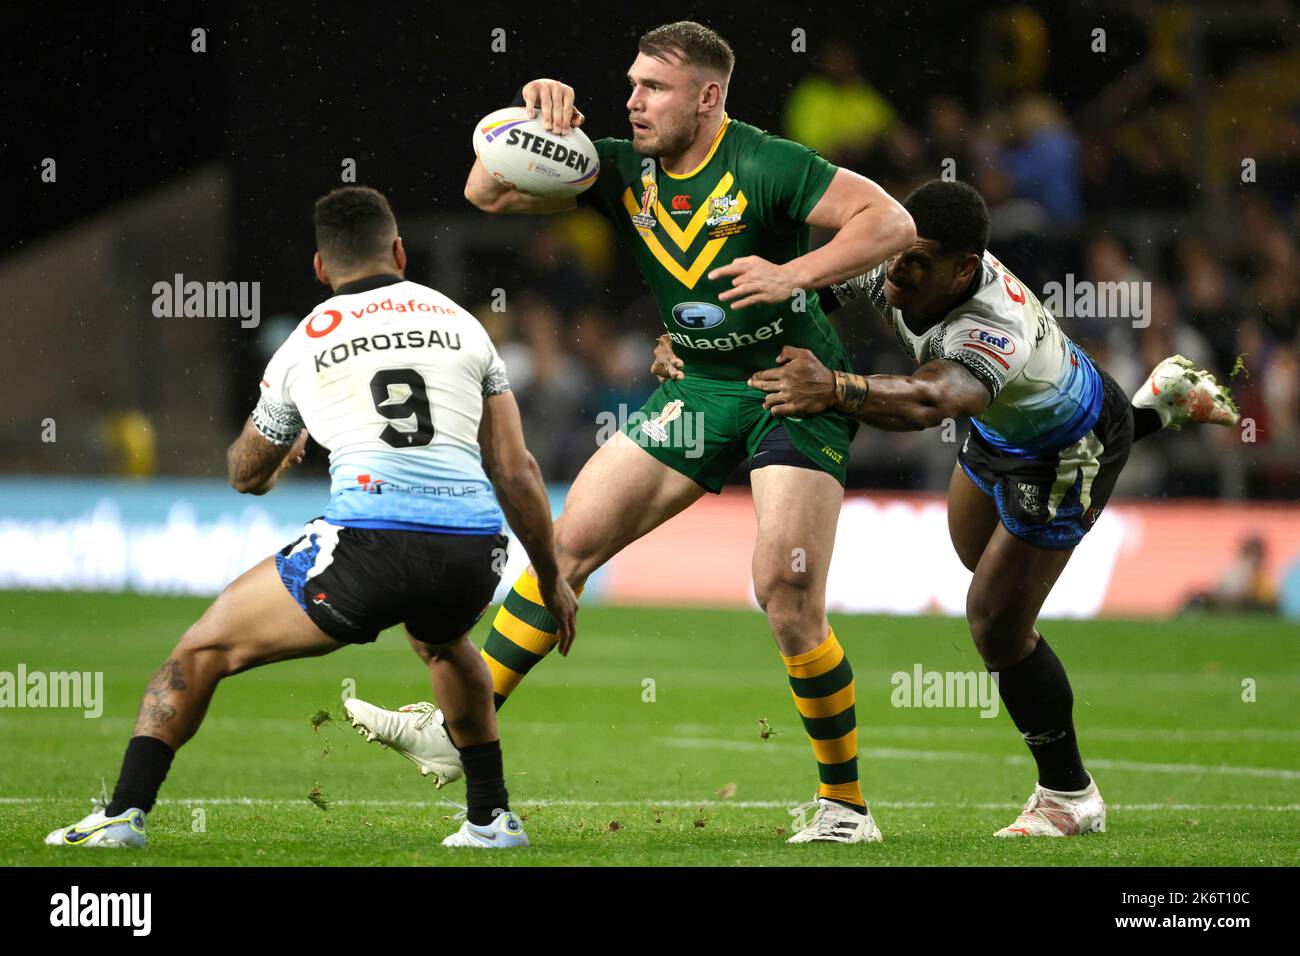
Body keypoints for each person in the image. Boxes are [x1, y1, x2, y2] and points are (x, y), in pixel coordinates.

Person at [344, 20, 916, 844]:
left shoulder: (766, 162)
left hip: (792, 389)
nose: (633, 100)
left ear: (708, 97)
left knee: (785, 596)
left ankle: (844, 808)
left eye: (654, 87)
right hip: (699, 387)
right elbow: (486, 193)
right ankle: (449, 729)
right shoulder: (615, 165)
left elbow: (889, 221)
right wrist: (532, 120)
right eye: (631, 82)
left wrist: (794, 272)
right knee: (564, 547)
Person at [653, 178, 1237, 837]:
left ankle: (1069, 796)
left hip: (1067, 448)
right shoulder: (898, 252)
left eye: (917, 261)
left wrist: (835, 387)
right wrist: (702, 339)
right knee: (970, 554)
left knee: (994, 623)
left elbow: (932, 401)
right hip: (999, 431)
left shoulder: (994, 327)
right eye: (899, 251)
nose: (897, 269)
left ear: (964, 269)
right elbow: (804, 293)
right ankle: (1160, 403)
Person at [45, 186, 576, 851]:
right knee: (444, 642)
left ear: (321, 268)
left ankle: (123, 814)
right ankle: (491, 819)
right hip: (472, 549)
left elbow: (244, 473)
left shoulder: (307, 340)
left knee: (201, 650)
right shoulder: (462, 322)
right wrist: (551, 577)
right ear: (401, 252)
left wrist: (278, 454)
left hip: (368, 546)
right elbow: (516, 468)